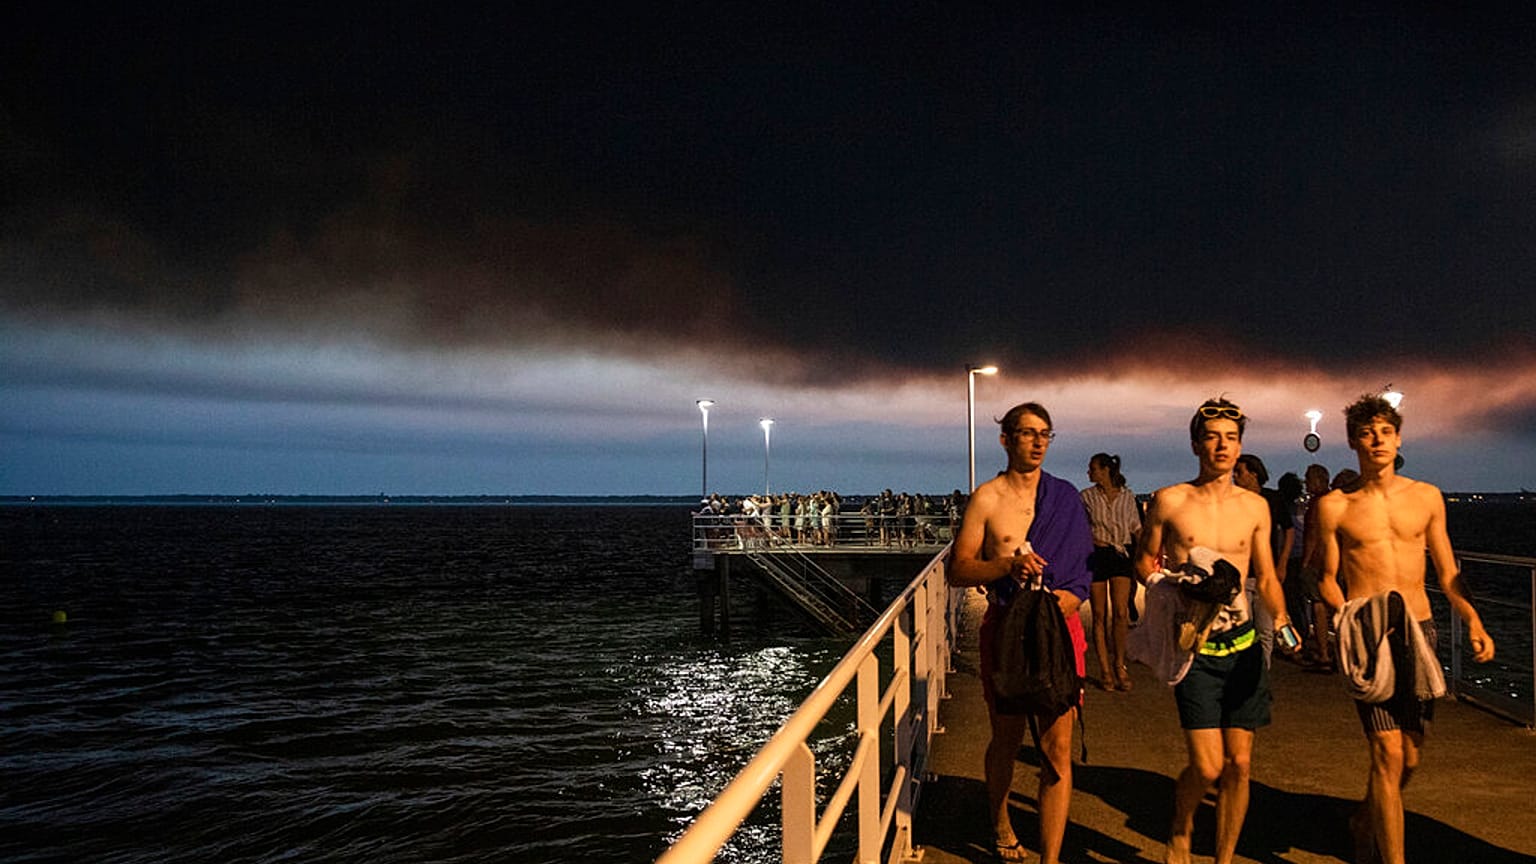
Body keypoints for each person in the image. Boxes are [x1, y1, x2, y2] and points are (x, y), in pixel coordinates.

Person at [1313, 394, 1495, 864]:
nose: (1377, 440)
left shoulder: (1427, 497)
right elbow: (1326, 579)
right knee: (1387, 754)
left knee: (1409, 756)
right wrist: (1348, 618)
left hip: (1420, 630)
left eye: (1386, 431)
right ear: (1353, 441)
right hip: (1370, 635)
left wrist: (1473, 620)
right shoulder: (1335, 506)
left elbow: (1448, 570)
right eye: (1367, 432)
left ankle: (1364, 819)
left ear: (1398, 438)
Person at [1134, 398, 1295, 864]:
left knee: (1240, 765)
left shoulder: (1256, 507)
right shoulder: (1170, 500)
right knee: (1207, 765)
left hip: (1244, 646)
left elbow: (1266, 577)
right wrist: (1168, 586)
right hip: (1196, 647)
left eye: (1230, 437)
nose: (1221, 445)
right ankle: (1181, 828)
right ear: (1195, 444)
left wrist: (1282, 620)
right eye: (1212, 436)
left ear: (1240, 445)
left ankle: (1224, 858)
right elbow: (1145, 560)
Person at [948, 402, 1092, 864]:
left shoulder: (1066, 497)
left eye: (1044, 434)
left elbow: (1084, 569)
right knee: (1006, 739)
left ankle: (1050, 857)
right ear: (1005, 439)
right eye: (1027, 433)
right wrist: (1008, 564)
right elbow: (959, 570)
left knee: (1058, 748)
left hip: (1060, 628)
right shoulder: (987, 499)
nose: (1037, 442)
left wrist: (1073, 597)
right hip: (1008, 630)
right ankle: (1000, 820)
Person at [1081, 453, 1141, 691]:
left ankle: (1119, 665)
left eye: (1093, 468)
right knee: (1098, 615)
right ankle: (1105, 670)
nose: (1089, 473)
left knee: (1120, 612)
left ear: (1105, 470)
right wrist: (1091, 539)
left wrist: (1146, 551)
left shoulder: (1128, 497)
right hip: (1097, 554)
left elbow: (1136, 527)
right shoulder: (1086, 497)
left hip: (1121, 555)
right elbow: (1079, 526)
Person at [1233, 454, 1295, 666]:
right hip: (1242, 573)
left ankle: (1263, 673)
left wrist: (1283, 562)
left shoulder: (1272, 499)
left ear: (1254, 473)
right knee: (1243, 627)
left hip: (1266, 571)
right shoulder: (1234, 500)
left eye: (1239, 472)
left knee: (1266, 630)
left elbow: (1289, 530)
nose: (1235, 476)